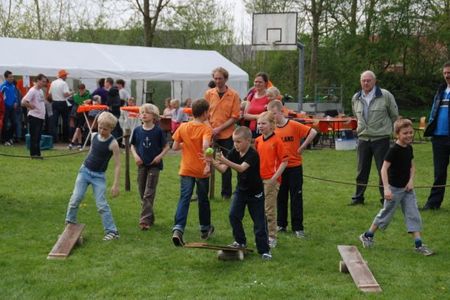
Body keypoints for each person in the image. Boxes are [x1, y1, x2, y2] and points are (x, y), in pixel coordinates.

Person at [359, 119, 433, 256]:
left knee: (413, 214)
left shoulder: (409, 148)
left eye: (411, 132)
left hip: (408, 190)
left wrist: (411, 181)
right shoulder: (393, 150)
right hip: (394, 189)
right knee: (386, 214)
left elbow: (412, 166)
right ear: (397, 134)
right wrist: (386, 188)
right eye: (405, 133)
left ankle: (418, 244)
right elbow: (383, 169)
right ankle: (368, 235)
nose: (409, 135)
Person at [212, 126, 272, 260]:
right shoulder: (234, 152)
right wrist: (212, 162)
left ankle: (264, 250)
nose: (235, 145)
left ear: (248, 141)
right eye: (234, 141)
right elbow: (223, 169)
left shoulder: (253, 154)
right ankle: (240, 241)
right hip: (241, 190)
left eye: (238, 142)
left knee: (259, 223)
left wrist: (225, 160)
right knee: (233, 215)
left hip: (255, 193)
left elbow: (241, 168)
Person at [65, 111, 121, 241]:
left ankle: (112, 232)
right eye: (100, 127)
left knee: (102, 204)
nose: (101, 130)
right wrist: (83, 166)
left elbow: (118, 165)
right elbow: (91, 152)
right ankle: (70, 223)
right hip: (84, 172)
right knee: (75, 198)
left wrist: (115, 184)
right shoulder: (94, 136)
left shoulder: (113, 144)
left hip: (98, 177)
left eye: (105, 129)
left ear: (111, 129)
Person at [268, 100, 317, 238]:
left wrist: (302, 147)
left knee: (296, 197)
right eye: (270, 115)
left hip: (294, 167)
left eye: (274, 114)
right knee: (280, 197)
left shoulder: (293, 125)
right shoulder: (272, 129)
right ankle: (281, 224)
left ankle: (298, 227)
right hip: (279, 169)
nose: (273, 117)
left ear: (282, 111)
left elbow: (312, 132)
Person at [350, 70, 399, 205]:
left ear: (374, 81)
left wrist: (396, 134)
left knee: (383, 170)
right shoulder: (356, 98)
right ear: (360, 82)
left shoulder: (385, 95)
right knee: (361, 171)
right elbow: (356, 115)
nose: (366, 83)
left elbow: (394, 115)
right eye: (363, 80)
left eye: (368, 80)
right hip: (363, 139)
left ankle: (386, 198)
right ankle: (358, 198)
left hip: (381, 139)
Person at [171, 99, 214, 246]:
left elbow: (175, 146)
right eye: (208, 111)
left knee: (184, 198)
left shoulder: (183, 127)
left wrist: (188, 144)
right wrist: (208, 163)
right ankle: (205, 228)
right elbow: (206, 147)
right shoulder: (206, 129)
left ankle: (178, 229)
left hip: (186, 168)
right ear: (204, 113)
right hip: (200, 169)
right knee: (203, 199)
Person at [130, 103, 170, 230]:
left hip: (154, 166)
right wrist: (136, 156)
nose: (144, 114)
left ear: (154, 116)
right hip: (142, 165)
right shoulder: (137, 130)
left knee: (149, 193)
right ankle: (150, 217)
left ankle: (144, 221)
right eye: (142, 112)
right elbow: (133, 145)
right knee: (142, 192)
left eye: (147, 112)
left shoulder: (158, 131)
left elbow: (166, 146)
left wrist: (159, 157)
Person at [204, 67, 241, 200]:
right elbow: (205, 114)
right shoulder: (209, 93)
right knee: (206, 160)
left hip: (226, 134)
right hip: (210, 133)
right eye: (215, 78)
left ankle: (226, 193)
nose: (217, 81)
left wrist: (219, 129)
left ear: (226, 79)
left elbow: (235, 116)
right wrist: (210, 129)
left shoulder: (234, 95)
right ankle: (203, 191)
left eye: (220, 78)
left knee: (226, 162)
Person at [254, 111, 288, 248]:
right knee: (259, 209)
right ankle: (262, 233)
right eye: (259, 123)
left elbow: (284, 161)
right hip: (258, 180)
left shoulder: (277, 141)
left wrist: (274, 178)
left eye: (263, 123)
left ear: (272, 124)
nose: (260, 126)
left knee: (269, 209)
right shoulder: (257, 141)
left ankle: (272, 236)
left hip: (271, 180)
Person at [422, 62, 450, 210]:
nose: (447, 75)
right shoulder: (440, 90)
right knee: (439, 173)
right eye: (445, 73)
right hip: (439, 137)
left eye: (449, 72)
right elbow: (434, 110)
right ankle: (433, 204)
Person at [21, 74, 48, 159]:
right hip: (34, 117)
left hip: (40, 117)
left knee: (38, 137)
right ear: (38, 81)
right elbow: (23, 102)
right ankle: (34, 155)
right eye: (43, 81)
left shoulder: (40, 91)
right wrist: (30, 106)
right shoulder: (32, 90)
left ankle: (37, 154)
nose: (44, 83)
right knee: (34, 136)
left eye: (45, 82)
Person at [48, 69, 73, 143]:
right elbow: (65, 94)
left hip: (54, 103)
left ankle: (54, 139)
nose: (66, 77)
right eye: (66, 75)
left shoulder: (53, 83)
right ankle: (65, 138)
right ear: (63, 76)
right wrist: (71, 92)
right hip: (62, 103)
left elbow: (50, 94)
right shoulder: (64, 83)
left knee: (54, 122)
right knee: (65, 121)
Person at [244, 72, 271, 137]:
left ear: (266, 83)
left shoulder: (269, 97)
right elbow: (245, 116)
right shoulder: (251, 96)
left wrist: (253, 116)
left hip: (264, 131)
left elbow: (271, 115)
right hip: (250, 130)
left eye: (260, 82)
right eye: (255, 82)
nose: (257, 84)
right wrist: (257, 116)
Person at [68, 83, 91, 149]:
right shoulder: (75, 96)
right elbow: (70, 101)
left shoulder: (88, 95)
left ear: (84, 89)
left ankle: (72, 143)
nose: (81, 91)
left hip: (84, 113)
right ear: (78, 90)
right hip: (77, 114)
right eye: (80, 90)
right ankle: (80, 143)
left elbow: (91, 101)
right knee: (78, 129)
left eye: (83, 90)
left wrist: (89, 101)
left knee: (78, 128)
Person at [1, 70, 18, 146]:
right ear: (6, 78)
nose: (12, 78)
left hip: (12, 107)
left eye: (12, 77)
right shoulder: (3, 86)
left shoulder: (13, 86)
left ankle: (9, 138)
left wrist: (15, 102)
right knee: (5, 124)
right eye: (10, 77)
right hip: (5, 108)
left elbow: (15, 96)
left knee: (15, 123)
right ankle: (4, 140)